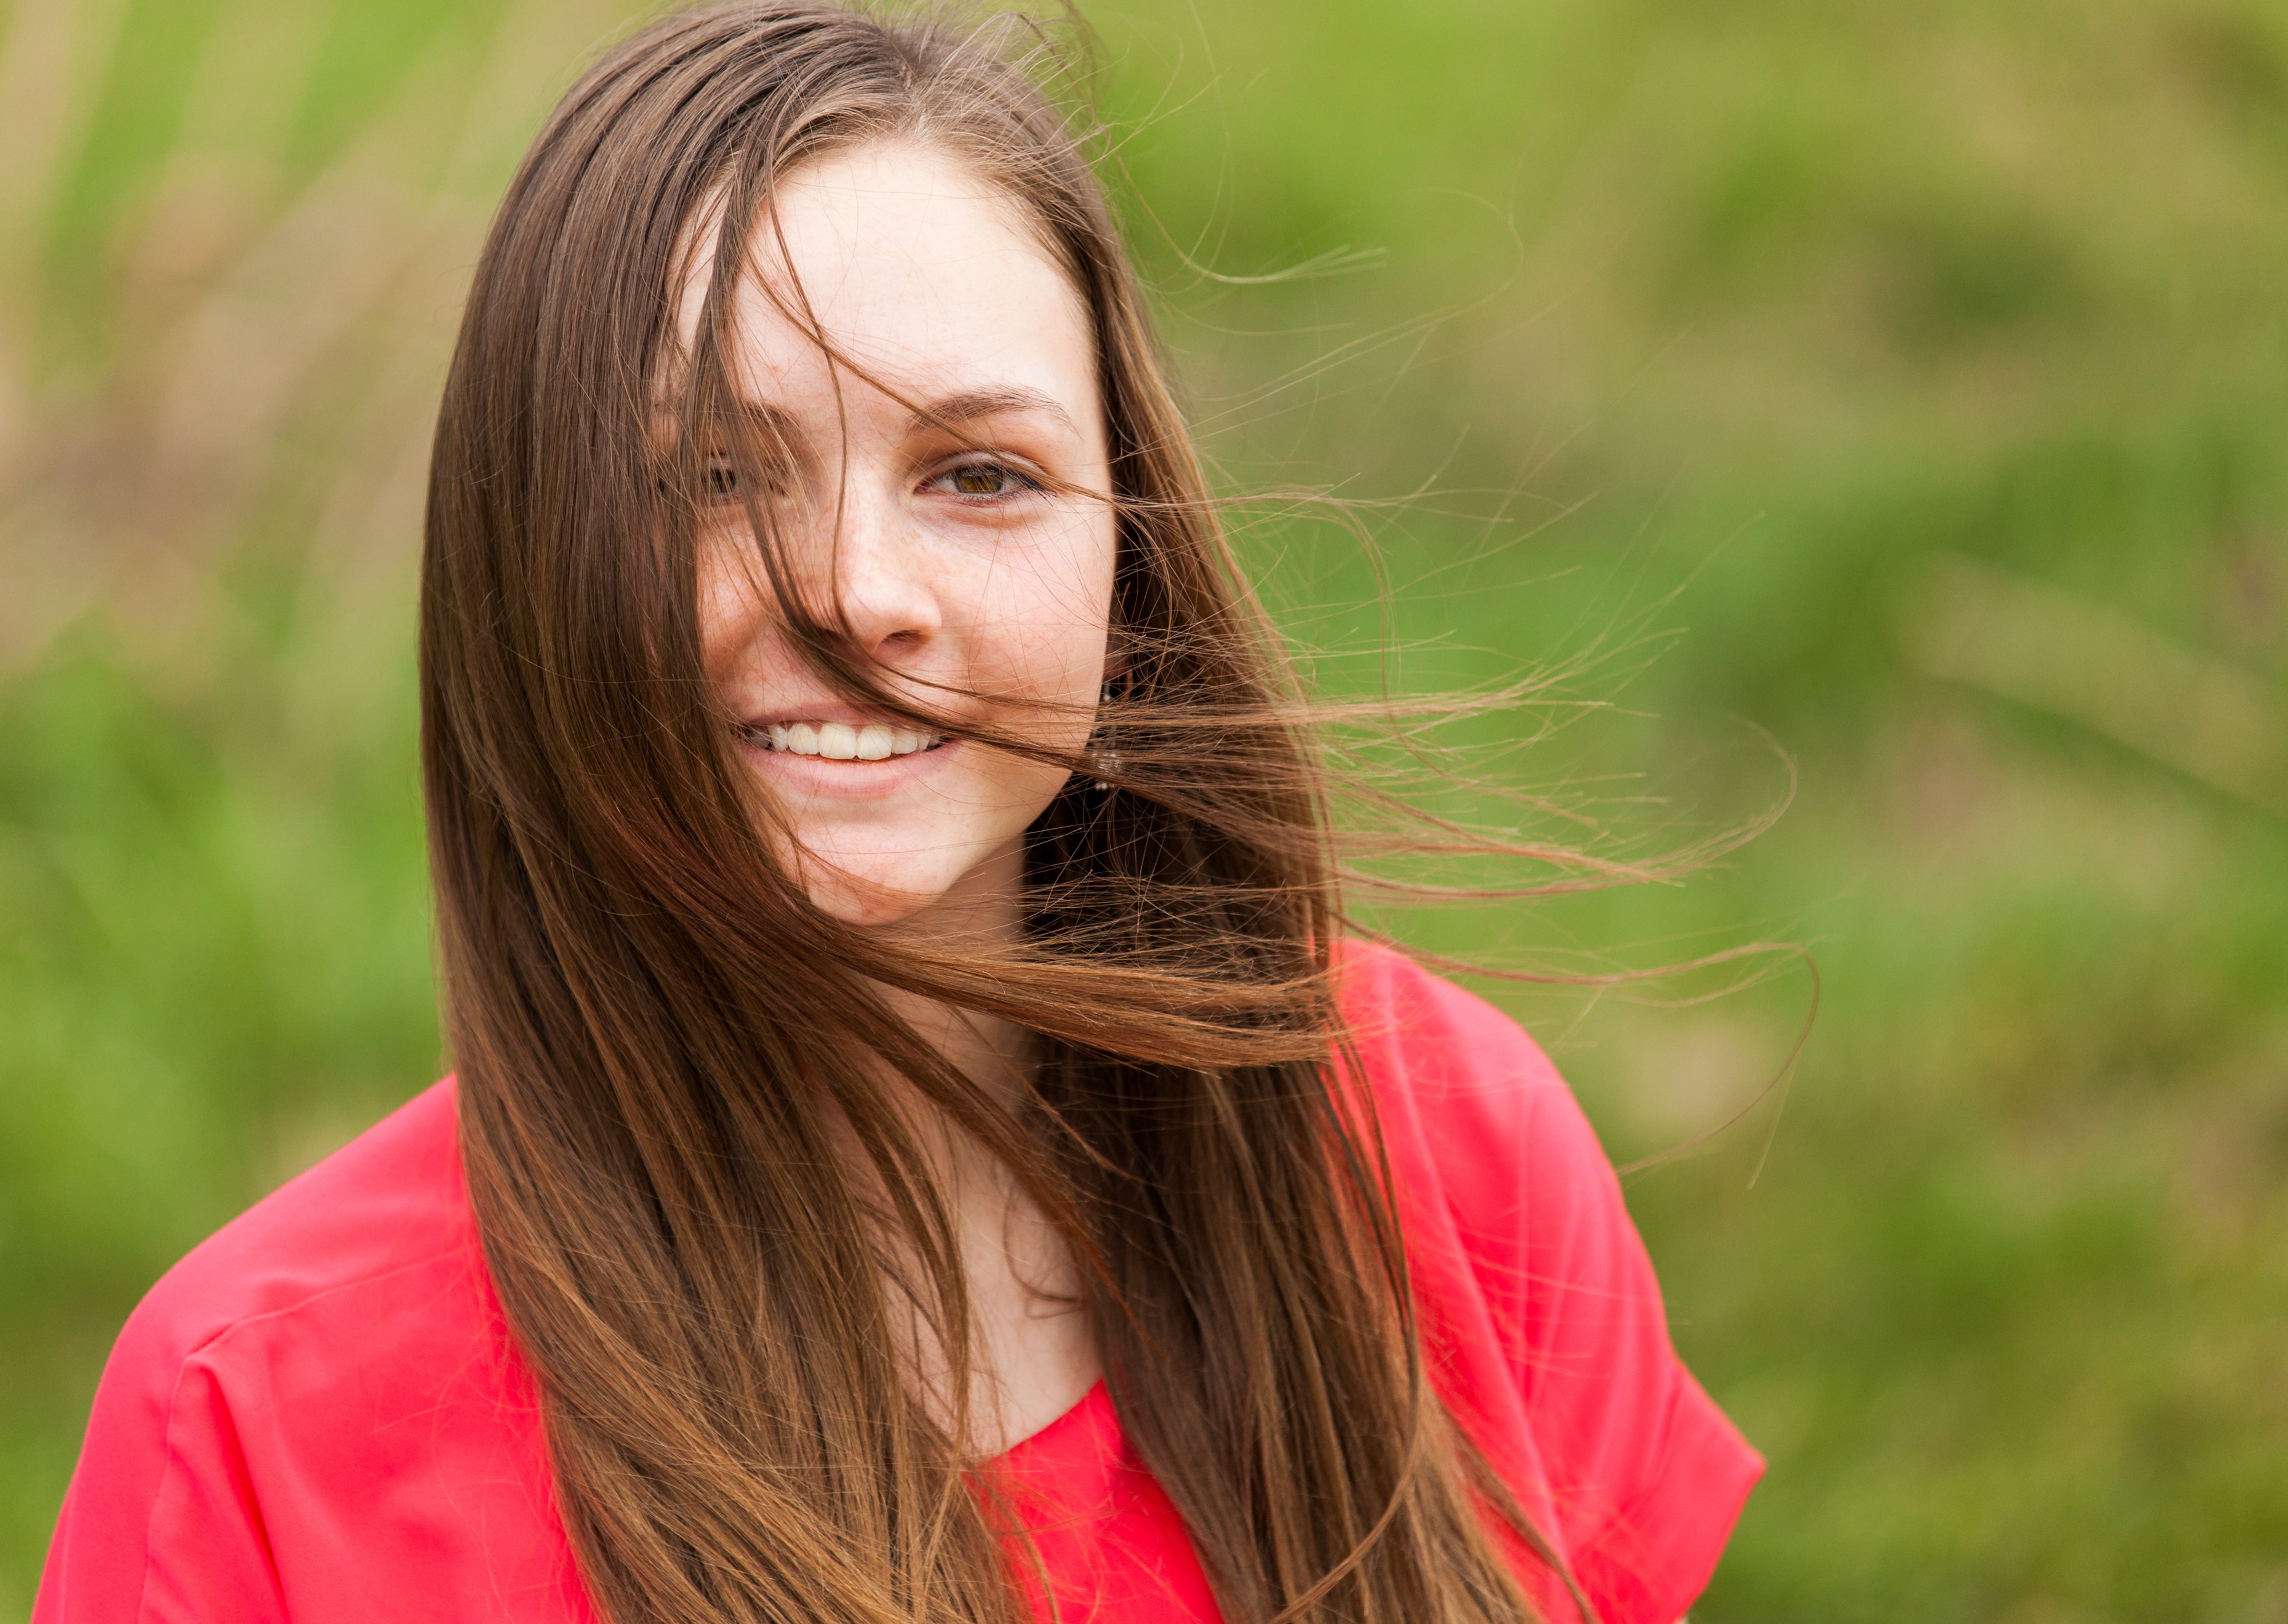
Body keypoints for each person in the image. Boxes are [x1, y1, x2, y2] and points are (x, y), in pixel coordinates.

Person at [33, 5, 1761, 1621]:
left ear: (1126, 559)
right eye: (713, 476)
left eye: (977, 475)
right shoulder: (250, 1421)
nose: (859, 591)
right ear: (520, 566)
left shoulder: (1436, 1141)